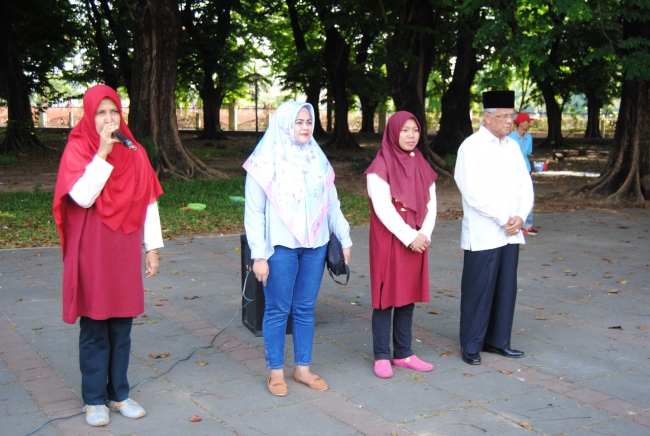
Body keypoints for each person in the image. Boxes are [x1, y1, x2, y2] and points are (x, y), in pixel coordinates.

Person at [53, 85, 164, 427]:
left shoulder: (135, 150)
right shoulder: (78, 147)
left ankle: (119, 395)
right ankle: (93, 400)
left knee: (122, 326)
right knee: (95, 325)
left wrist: (152, 247)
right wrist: (102, 153)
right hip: (92, 249)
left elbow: (148, 200)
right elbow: (83, 197)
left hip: (124, 246)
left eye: (113, 111)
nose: (108, 118)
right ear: (89, 115)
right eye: (100, 112)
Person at [243, 101, 352, 396]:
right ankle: (276, 371)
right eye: (298, 122)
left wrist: (345, 238)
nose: (305, 127)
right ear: (284, 124)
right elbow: (254, 212)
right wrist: (258, 255)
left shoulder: (318, 159)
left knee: (305, 308)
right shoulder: (263, 161)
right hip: (280, 247)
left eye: (308, 122)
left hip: (316, 245)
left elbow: (332, 204)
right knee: (278, 309)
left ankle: (303, 368)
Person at [454, 91, 534, 366]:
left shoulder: (512, 146)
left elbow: (525, 184)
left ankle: (498, 341)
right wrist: (503, 219)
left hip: (511, 232)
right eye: (503, 116)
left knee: (505, 287)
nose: (510, 121)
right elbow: (471, 191)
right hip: (484, 232)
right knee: (478, 288)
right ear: (487, 117)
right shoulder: (471, 146)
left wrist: (521, 216)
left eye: (512, 115)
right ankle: (471, 344)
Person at [365, 111, 438, 378]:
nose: (411, 135)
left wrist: (424, 234)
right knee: (385, 297)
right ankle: (381, 356)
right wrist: (410, 236)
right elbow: (383, 209)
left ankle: (404, 352)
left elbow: (431, 202)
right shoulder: (380, 165)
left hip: (417, 239)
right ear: (393, 132)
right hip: (389, 240)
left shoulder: (421, 163)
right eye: (405, 130)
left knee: (407, 295)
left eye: (415, 130)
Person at [508, 112, 538, 236]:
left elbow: (528, 152)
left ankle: (528, 223)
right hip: (513, 171)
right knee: (514, 197)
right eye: (527, 122)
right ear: (520, 123)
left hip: (526, 170)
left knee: (528, 195)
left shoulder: (529, 137)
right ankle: (514, 222)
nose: (529, 124)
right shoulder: (510, 138)